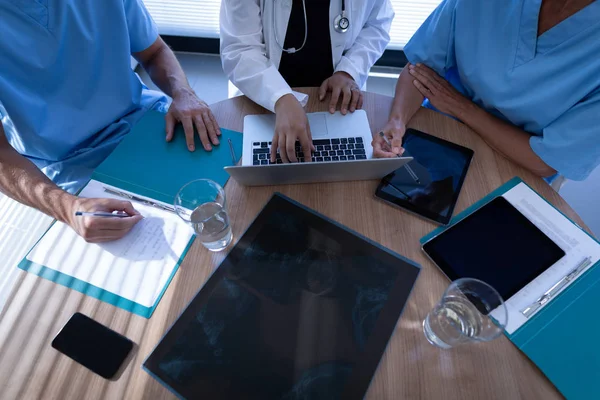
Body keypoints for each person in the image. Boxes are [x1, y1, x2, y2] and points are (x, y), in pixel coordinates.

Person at [0, 0, 220, 243]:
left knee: (231, 203)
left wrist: (183, 92)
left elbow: (154, 51)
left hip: (148, 123)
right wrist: (69, 208)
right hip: (70, 168)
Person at [373, 0, 600, 183]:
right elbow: (421, 69)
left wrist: (462, 107)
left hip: (514, 170)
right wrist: (397, 120)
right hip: (434, 133)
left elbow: (545, 160)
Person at [220, 0, 394, 163]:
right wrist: (280, 97)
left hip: (337, 98)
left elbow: (377, 23)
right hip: (263, 95)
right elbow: (240, 47)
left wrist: (349, 70)